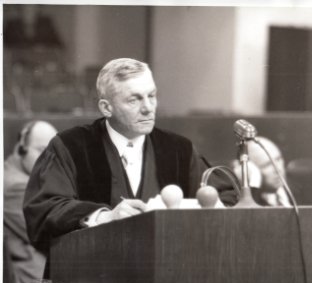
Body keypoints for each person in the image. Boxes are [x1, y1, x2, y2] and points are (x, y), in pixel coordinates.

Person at [23, 58, 237, 257]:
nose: (148, 108)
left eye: (151, 96)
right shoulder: (70, 147)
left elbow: (227, 200)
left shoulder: (178, 150)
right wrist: (103, 217)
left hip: (167, 273)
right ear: (106, 107)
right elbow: (44, 210)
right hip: (94, 278)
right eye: (134, 100)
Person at [4, 120, 57, 283]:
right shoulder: (14, 187)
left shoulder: (26, 178)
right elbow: (51, 236)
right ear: (22, 148)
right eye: (41, 151)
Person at [232, 136, 312, 207]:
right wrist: (251, 184)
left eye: (279, 159)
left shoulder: (309, 178)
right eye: (267, 165)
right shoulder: (241, 197)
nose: (278, 169)